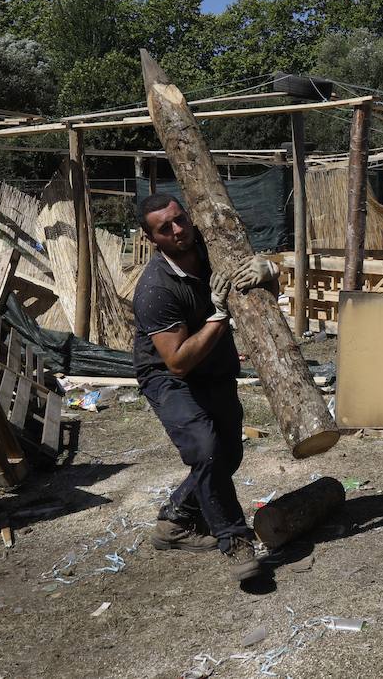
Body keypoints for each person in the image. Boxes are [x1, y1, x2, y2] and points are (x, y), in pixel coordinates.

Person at [131, 193, 279, 582]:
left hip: (214, 368)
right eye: (165, 228)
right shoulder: (155, 290)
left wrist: (270, 272)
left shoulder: (213, 252)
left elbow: (253, 286)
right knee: (206, 449)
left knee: (228, 455)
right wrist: (218, 314)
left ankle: (174, 522)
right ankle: (234, 539)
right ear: (152, 238)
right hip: (168, 376)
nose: (178, 230)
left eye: (180, 220)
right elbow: (177, 361)